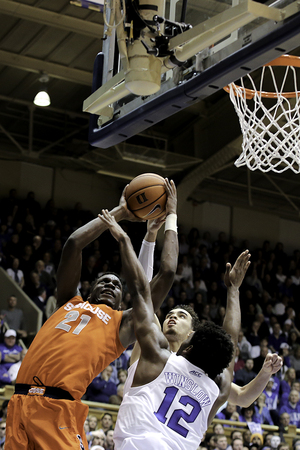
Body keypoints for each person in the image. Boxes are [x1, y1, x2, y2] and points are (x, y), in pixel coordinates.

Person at [5, 179, 178, 450]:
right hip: (18, 405)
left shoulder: (124, 323)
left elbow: (165, 273)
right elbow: (74, 244)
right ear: (90, 289)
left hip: (58, 409)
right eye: (104, 281)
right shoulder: (67, 301)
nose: (110, 284)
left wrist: (172, 218)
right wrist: (120, 212)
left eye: (117, 284)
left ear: (123, 302)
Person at [114, 245, 251, 449]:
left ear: (187, 348)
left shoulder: (160, 358)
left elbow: (143, 294)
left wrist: (150, 235)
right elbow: (230, 341)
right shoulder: (218, 389)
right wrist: (234, 290)